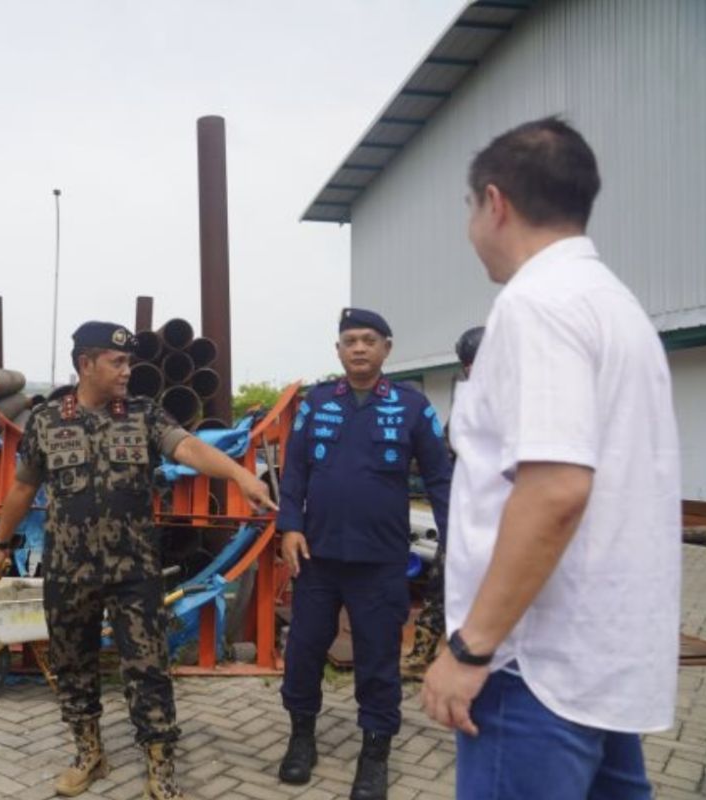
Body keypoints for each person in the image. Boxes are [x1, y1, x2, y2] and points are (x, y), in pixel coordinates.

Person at [422, 117, 681, 800]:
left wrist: (470, 648)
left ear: (496, 202)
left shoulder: (536, 304)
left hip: (530, 668)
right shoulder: (617, 307)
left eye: (470, 208)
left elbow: (556, 488)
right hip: (600, 665)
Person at [0, 321, 277, 800]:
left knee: (148, 669)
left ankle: (160, 766)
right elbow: (23, 486)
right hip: (69, 572)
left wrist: (239, 477)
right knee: (73, 664)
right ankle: (89, 754)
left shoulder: (143, 415)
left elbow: (190, 447)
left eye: (130, 362)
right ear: (86, 364)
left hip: (133, 572)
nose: (127, 371)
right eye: (117, 362)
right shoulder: (45, 420)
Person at [276, 308, 452, 800]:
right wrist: (289, 526)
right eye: (350, 340)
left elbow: (440, 476)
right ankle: (301, 739)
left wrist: (457, 533)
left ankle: (374, 755)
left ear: (386, 349)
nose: (358, 348)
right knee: (305, 651)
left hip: (380, 561)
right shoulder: (316, 402)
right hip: (316, 557)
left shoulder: (412, 406)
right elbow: (294, 473)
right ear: (338, 350)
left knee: (377, 659)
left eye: (368, 340)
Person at [400, 325, 483, 680]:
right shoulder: (467, 405)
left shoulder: (525, 402)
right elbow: (442, 459)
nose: (472, 370)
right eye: (469, 364)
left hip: (505, 520)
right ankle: (422, 656)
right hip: (464, 516)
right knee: (442, 585)